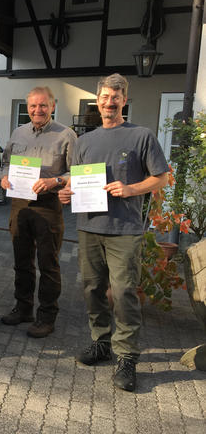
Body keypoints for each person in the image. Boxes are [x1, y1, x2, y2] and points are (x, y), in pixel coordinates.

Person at [59, 73, 169, 392]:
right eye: (105, 96)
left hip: (124, 230)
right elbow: (76, 180)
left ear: (124, 100)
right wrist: (66, 193)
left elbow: (161, 178)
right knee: (92, 288)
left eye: (116, 97)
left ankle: (127, 356)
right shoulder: (86, 140)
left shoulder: (141, 136)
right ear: (98, 100)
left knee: (123, 292)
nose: (110, 102)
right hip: (89, 227)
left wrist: (131, 187)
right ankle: (101, 342)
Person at [0, 87, 76, 338]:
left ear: (52, 106)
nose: (37, 110)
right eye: (33, 106)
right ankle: (23, 308)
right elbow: (6, 162)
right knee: (22, 261)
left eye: (43, 105)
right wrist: (3, 178)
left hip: (48, 207)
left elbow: (76, 171)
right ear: (27, 107)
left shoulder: (66, 135)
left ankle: (46, 315)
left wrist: (55, 182)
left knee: (48, 263)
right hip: (20, 204)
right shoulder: (18, 132)